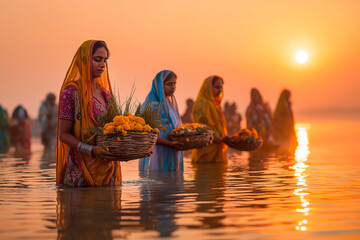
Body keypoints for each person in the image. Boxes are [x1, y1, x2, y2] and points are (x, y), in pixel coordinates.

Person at [57, 40, 121, 187]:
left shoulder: (106, 95)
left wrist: (133, 151)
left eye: (105, 60)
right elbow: (63, 134)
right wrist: (91, 150)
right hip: (80, 169)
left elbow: (115, 129)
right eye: (97, 59)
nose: (102, 64)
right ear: (84, 61)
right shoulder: (71, 92)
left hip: (107, 168)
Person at [139, 70, 184, 172]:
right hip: (157, 154)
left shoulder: (170, 104)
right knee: (156, 184)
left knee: (172, 185)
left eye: (174, 83)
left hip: (172, 150)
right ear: (159, 85)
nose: (173, 87)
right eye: (169, 84)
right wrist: (170, 143)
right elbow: (148, 133)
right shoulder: (152, 105)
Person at [192, 75, 228, 163]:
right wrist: (220, 138)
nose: (220, 90)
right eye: (216, 87)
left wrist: (224, 138)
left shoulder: (216, 104)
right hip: (205, 151)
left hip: (217, 149)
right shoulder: (202, 103)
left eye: (221, 87)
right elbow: (204, 126)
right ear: (208, 88)